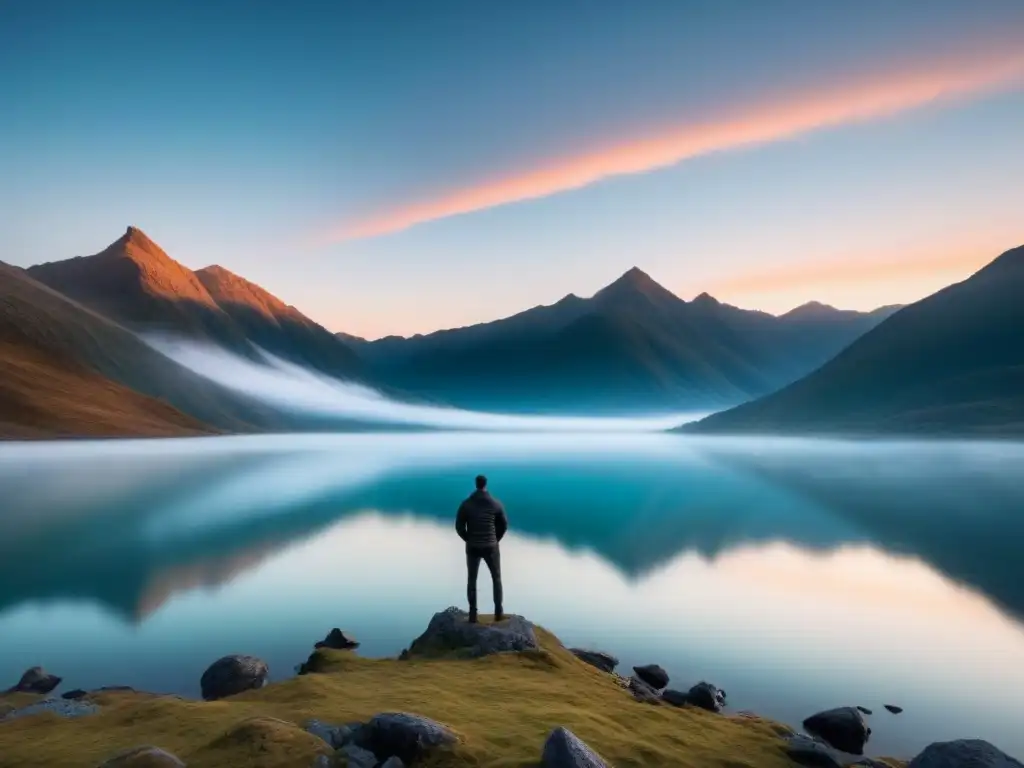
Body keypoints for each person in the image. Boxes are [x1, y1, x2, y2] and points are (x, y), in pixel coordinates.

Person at [455, 474, 508, 623]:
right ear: (486, 485)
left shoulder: (466, 504)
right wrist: (495, 539)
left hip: (473, 546)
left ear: (476, 484)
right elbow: (504, 525)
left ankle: (473, 615)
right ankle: (498, 613)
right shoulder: (495, 504)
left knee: (472, 580)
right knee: (496, 578)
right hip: (491, 546)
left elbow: (459, 526)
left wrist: (468, 539)